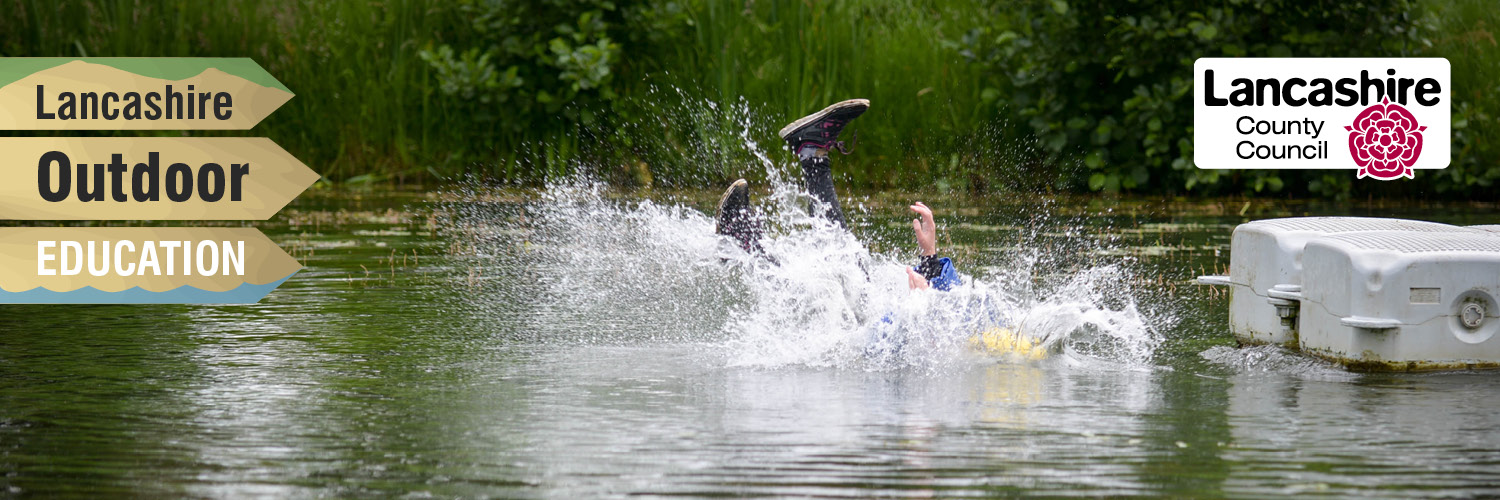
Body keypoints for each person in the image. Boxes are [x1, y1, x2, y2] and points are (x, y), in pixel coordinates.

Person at [714, 99, 961, 291]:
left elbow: (890, 345)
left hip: (874, 342)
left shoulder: (967, 344)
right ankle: (811, 151)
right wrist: (929, 257)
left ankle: (743, 247)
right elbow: (950, 302)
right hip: (893, 319)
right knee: (851, 274)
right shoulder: (980, 324)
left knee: (838, 293)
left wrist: (919, 309)